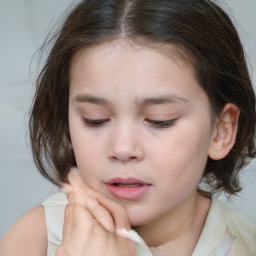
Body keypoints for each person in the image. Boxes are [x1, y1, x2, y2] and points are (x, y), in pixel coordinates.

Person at [0, 0, 256, 255]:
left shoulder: (244, 244)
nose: (122, 148)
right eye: (95, 119)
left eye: (160, 120)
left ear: (221, 130)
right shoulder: (36, 238)